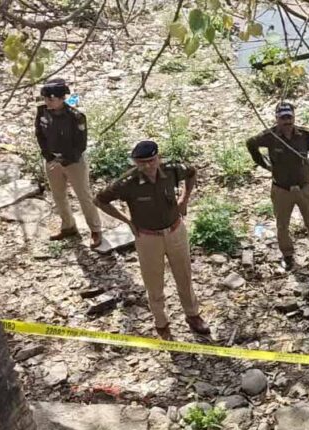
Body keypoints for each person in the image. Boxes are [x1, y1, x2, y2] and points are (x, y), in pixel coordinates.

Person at [94, 141, 208, 340]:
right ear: (135, 163)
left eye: (151, 160)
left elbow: (191, 172)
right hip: (148, 238)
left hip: (175, 231)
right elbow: (100, 200)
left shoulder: (171, 170)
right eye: (142, 162)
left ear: (158, 158)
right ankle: (161, 323)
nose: (147, 166)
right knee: (154, 283)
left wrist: (184, 199)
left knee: (184, 276)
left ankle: (193, 315)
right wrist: (127, 221)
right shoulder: (128, 182)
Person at [246, 102, 309, 269]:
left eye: (289, 117)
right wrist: (265, 165)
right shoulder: (270, 136)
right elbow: (250, 143)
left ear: (294, 117)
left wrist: (308, 169)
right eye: (283, 118)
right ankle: (287, 255)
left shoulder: (305, 134)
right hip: (281, 189)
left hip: (304, 187)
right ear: (277, 118)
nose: (287, 121)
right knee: (282, 225)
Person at [35, 78, 102, 248]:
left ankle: (95, 229)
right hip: (52, 161)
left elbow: (80, 145)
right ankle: (68, 226)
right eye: (45, 98)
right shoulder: (42, 112)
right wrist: (49, 156)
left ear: (61, 98)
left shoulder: (76, 116)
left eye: (51, 99)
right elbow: (40, 135)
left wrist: (64, 160)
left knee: (84, 196)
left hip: (73, 162)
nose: (47, 102)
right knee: (58, 195)